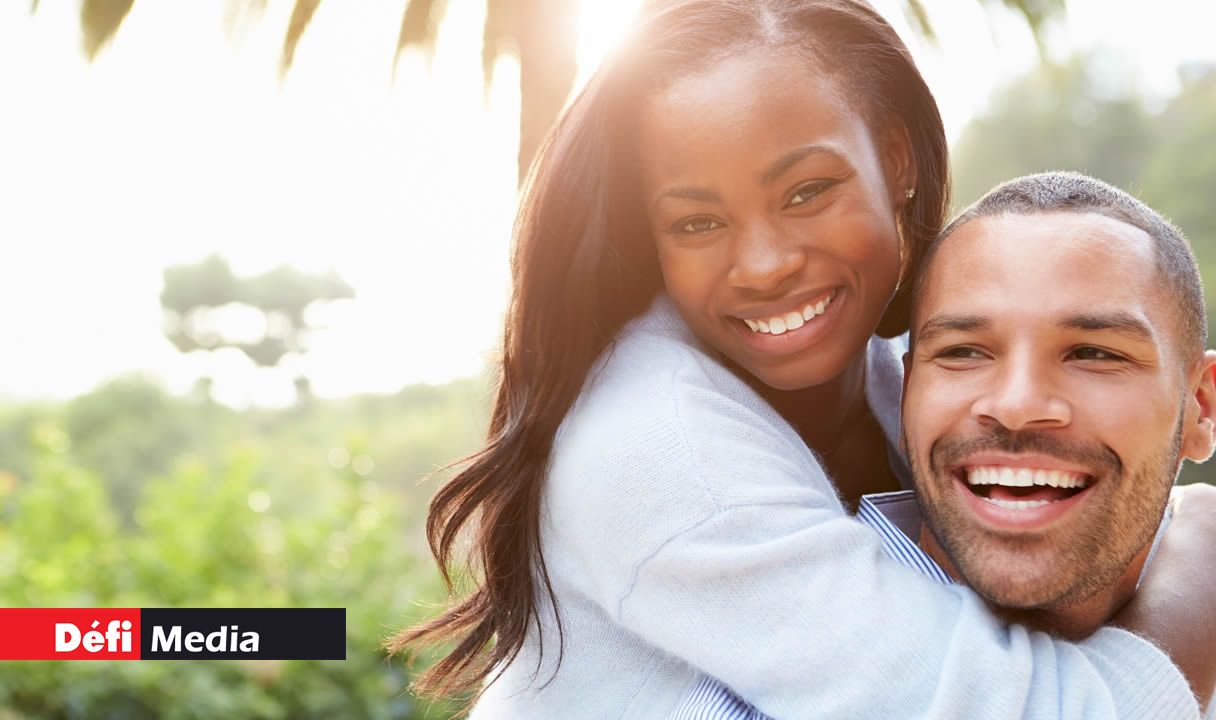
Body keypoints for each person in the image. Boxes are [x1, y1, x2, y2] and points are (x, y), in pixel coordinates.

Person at [391, 2, 1216, 717]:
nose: (764, 264)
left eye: (805, 192)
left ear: (895, 161)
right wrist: (1195, 578)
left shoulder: (909, 380)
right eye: (696, 224)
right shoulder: (658, 445)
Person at [676, 172, 1216, 718]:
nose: (1016, 405)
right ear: (909, 390)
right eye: (964, 352)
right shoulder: (762, 696)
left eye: (1094, 355)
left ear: (1202, 407)